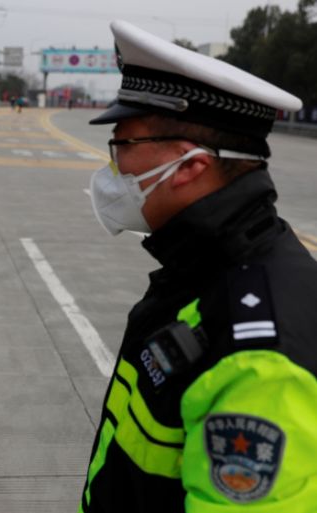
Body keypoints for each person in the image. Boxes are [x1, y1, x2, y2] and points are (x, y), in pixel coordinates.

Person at [80, 20, 316, 512]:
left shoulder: (261, 354)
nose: (112, 167)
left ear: (189, 167)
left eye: (122, 146)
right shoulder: (199, 268)